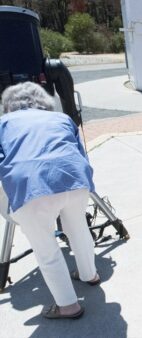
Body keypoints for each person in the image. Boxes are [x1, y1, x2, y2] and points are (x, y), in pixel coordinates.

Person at [0, 82, 99, 319]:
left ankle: (68, 306)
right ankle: (90, 275)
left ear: (8, 105)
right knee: (79, 230)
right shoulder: (61, 119)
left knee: (46, 249)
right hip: (75, 179)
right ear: (44, 102)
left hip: (30, 187)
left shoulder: (3, 124)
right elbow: (79, 152)